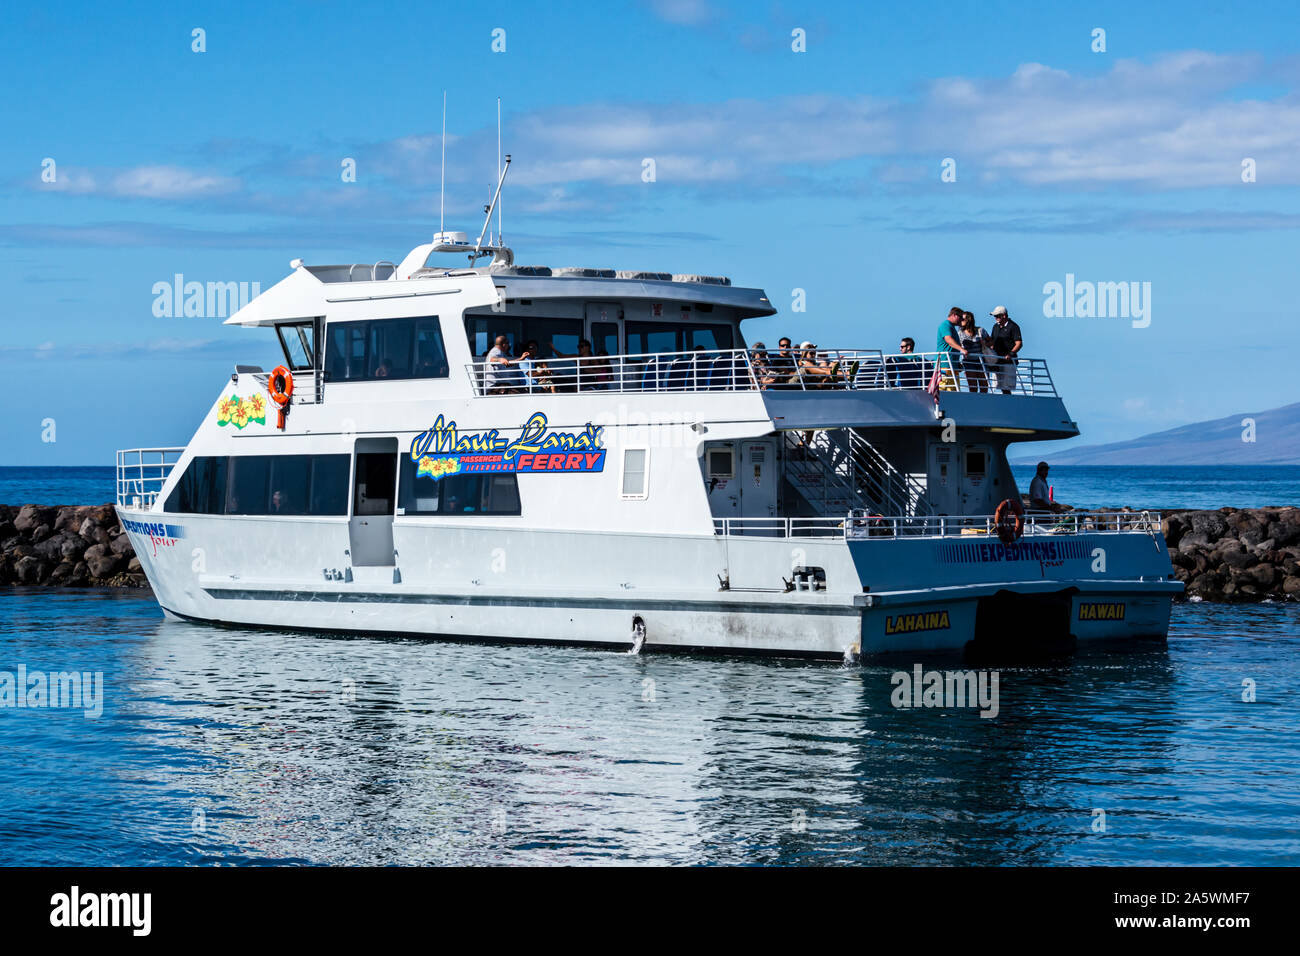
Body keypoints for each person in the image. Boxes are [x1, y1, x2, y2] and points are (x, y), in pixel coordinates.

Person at [987, 306, 1023, 394]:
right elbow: (992, 342)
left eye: (997, 316)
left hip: (1008, 362)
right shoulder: (995, 327)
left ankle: (1008, 404)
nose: (995, 318)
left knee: (1006, 387)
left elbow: (1019, 343)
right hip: (997, 361)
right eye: (994, 316)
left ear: (1004, 316)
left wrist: (1010, 354)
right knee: (997, 386)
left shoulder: (1013, 326)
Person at [957, 311, 990, 392]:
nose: (960, 320)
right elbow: (957, 347)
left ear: (968, 320)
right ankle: (974, 402)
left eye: (963, 319)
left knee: (984, 386)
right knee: (973, 387)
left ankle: (983, 403)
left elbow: (991, 342)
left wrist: (985, 343)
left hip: (981, 361)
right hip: (968, 362)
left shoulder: (980, 330)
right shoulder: (960, 333)